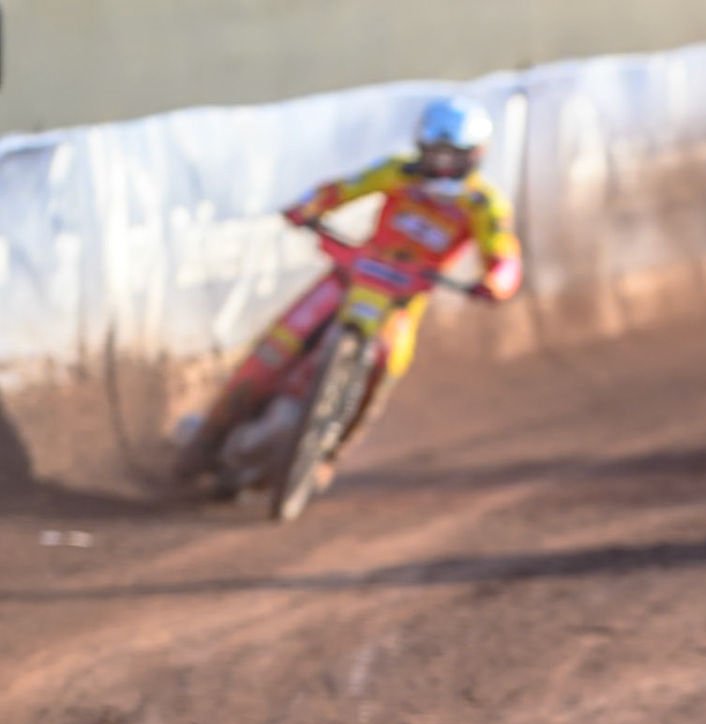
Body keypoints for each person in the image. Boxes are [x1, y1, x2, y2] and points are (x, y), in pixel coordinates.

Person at [175, 96, 522, 491]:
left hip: (400, 303)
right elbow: (345, 189)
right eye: (435, 154)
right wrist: (307, 208)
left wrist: (496, 283)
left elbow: (503, 254)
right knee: (274, 351)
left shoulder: (483, 205)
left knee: (385, 372)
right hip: (349, 279)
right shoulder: (397, 172)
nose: (442, 166)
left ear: (474, 155)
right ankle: (206, 438)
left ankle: (328, 456)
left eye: (452, 157)